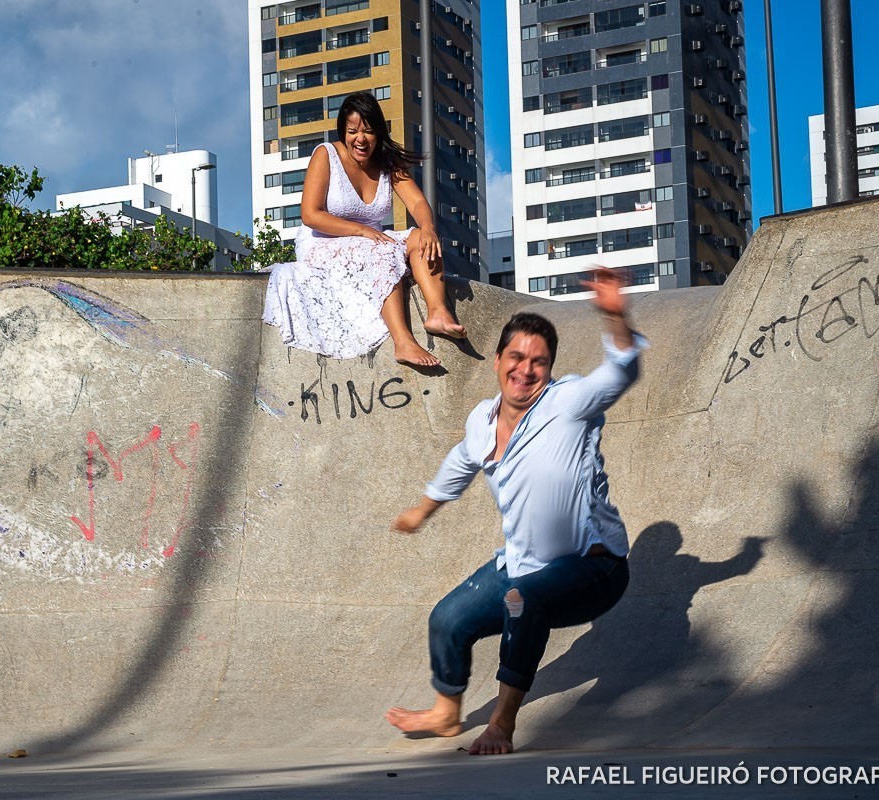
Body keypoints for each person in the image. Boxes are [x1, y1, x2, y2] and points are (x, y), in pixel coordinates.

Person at [386, 268, 645, 755]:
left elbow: (622, 371)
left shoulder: (568, 402)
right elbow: (460, 463)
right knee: (448, 618)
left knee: (523, 599)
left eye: (538, 362)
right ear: (498, 362)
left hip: (595, 569)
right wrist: (422, 510)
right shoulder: (482, 421)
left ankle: (501, 724)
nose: (526, 370)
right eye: (517, 357)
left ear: (550, 369)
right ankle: (446, 712)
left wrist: (616, 317)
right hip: (524, 564)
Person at [263, 92, 465, 367]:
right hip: (323, 241)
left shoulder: (388, 162)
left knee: (420, 238)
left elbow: (417, 202)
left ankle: (438, 312)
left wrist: (428, 227)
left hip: (372, 238)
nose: (361, 139)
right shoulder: (326, 154)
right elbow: (310, 215)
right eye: (353, 131)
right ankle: (403, 342)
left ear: (378, 132)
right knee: (382, 252)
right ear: (343, 132)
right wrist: (360, 231)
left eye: (368, 131)